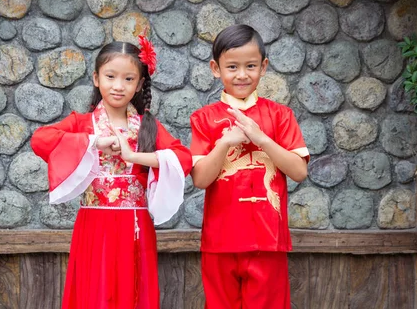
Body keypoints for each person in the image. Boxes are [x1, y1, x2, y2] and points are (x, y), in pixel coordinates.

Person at [31, 35, 192, 309]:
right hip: (94, 226)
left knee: (134, 293)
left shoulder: (146, 126)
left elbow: (183, 158)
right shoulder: (82, 123)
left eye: (129, 79)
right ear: (96, 78)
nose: (118, 86)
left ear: (140, 84)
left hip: (135, 228)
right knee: (95, 293)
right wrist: (94, 142)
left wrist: (134, 156)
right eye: (110, 76)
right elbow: (41, 139)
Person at [189, 24, 309, 309]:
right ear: (215, 68)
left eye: (251, 66)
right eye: (232, 67)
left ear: (263, 67)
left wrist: (261, 138)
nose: (242, 75)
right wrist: (224, 144)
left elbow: (299, 172)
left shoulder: (280, 115)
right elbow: (200, 180)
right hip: (220, 240)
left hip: (269, 238)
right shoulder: (204, 118)